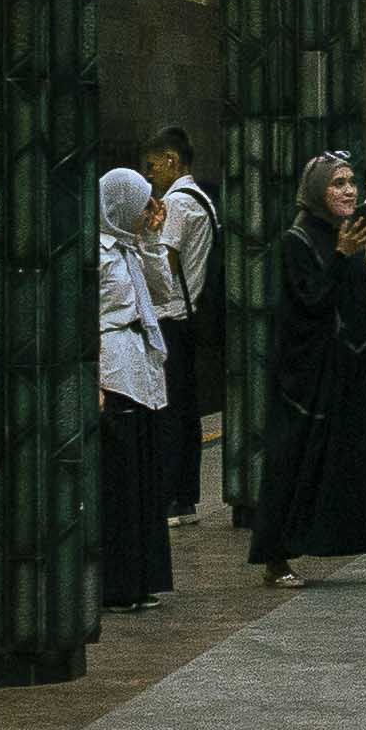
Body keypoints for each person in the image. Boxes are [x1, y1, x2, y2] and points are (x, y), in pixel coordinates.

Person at [247, 148, 366, 589]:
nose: (349, 191)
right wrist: (341, 256)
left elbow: (356, 299)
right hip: (311, 377)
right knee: (297, 461)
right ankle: (277, 560)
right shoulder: (298, 240)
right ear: (318, 190)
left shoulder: (351, 235)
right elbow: (309, 303)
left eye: (351, 182)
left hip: (355, 365)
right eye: (338, 184)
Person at [96, 167, 177, 613]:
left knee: (144, 479)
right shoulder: (97, 253)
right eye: (142, 202)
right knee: (120, 483)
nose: (148, 210)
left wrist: (153, 239)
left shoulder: (132, 248)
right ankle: (117, 584)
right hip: (114, 369)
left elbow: (164, 292)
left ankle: (144, 578)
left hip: (142, 367)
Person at [142, 127, 224, 515]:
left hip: (170, 317)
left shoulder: (175, 203)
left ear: (171, 160)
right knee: (188, 411)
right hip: (192, 316)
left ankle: (170, 497)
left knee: (169, 411)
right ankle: (187, 495)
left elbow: (166, 265)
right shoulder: (204, 200)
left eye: (153, 166)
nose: (149, 175)